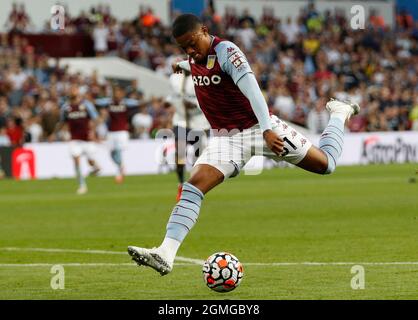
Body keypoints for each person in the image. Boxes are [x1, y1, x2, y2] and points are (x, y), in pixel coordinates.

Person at [127, 14, 359, 275]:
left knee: (326, 165)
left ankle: (339, 112)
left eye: (192, 43)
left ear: (204, 31)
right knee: (194, 186)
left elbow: (253, 90)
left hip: (258, 129)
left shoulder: (227, 51)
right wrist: (183, 64)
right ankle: (165, 253)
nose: (190, 50)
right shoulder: (196, 57)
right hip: (226, 138)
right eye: (184, 48)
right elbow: (205, 68)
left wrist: (268, 130)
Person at [166, 66, 210, 200]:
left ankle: (193, 186)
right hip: (181, 122)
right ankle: (180, 184)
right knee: (180, 154)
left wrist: (194, 106)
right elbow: (172, 97)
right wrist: (168, 104)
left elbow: (207, 102)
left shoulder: (202, 79)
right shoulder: (174, 79)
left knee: (199, 158)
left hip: (199, 123)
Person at [54, 85, 101, 195]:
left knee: (90, 160)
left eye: (74, 89)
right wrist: (54, 134)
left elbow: (96, 119)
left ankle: (95, 167)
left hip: (87, 138)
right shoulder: (66, 107)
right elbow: (62, 122)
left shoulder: (86, 105)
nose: (72, 91)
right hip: (75, 139)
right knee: (76, 160)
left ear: (78, 92)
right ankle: (82, 185)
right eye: (71, 89)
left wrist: (93, 132)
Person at [95, 86, 140, 183]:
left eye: (119, 93)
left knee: (118, 151)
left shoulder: (125, 103)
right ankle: (121, 166)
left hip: (121, 132)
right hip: (111, 132)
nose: (117, 95)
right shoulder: (109, 102)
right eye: (115, 93)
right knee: (111, 153)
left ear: (122, 94)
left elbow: (136, 103)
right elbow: (98, 102)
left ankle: (119, 174)